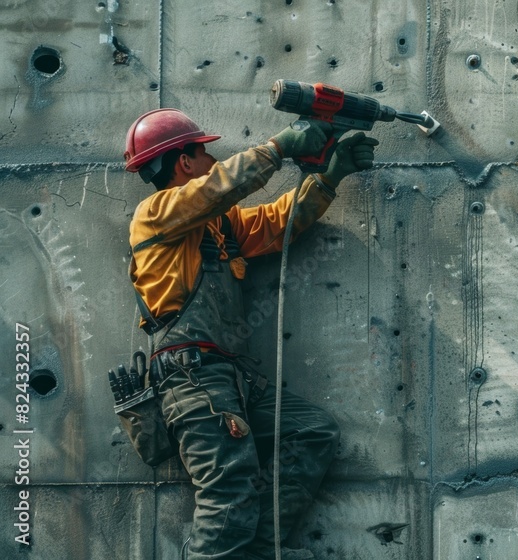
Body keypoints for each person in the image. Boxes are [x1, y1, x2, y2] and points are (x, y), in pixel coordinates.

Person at [123, 108, 378, 559]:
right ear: (184, 162)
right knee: (227, 498)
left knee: (310, 432)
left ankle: (258, 552)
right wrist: (279, 147)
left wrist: (328, 178)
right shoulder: (155, 214)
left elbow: (277, 225)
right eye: (205, 154)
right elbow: (219, 188)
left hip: (230, 381)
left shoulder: (218, 225)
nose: (212, 162)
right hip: (193, 382)